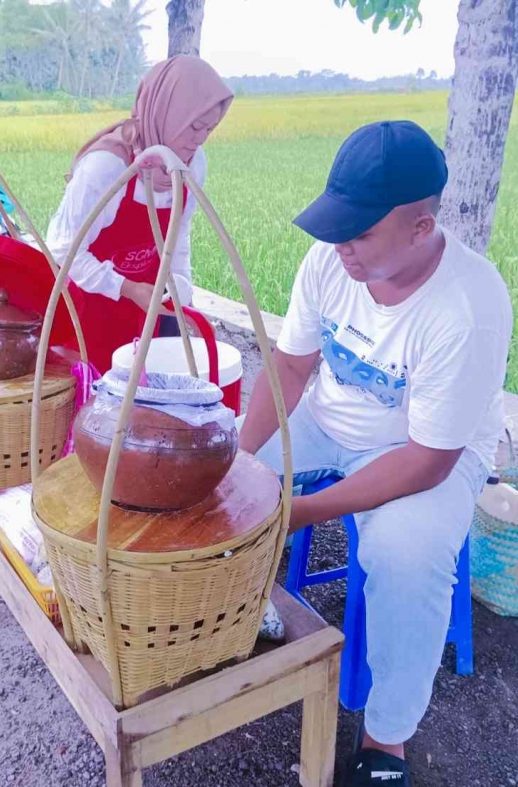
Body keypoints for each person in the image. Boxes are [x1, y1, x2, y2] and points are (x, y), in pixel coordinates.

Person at [239, 121, 512, 786]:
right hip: (327, 417)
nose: (342, 247)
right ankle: (230, 617)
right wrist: (240, 463)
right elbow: (293, 367)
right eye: (338, 227)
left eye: (359, 232)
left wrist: (297, 510)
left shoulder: (467, 305)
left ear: (420, 229)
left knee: (407, 556)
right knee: (211, 476)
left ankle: (386, 740)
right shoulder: (331, 261)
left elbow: (428, 461)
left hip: (426, 449)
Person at [46, 55, 233, 374]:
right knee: (97, 403)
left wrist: (180, 291)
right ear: (167, 113)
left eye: (210, 129)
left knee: (150, 394)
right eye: (194, 126)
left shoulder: (191, 163)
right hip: (90, 304)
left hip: (147, 304)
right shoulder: (108, 167)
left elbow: (178, 234)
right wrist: (129, 289)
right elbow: (63, 251)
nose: (200, 139)